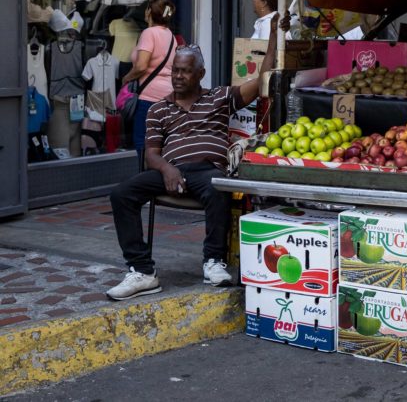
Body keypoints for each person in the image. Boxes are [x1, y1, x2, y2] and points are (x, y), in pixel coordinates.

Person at [106, 21, 278, 300]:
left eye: (186, 71)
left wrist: (272, 37)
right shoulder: (159, 109)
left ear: (200, 74)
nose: (178, 76)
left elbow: (263, 81)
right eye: (175, 70)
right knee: (121, 194)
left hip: (207, 170)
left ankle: (213, 261)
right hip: (169, 171)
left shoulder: (219, 97)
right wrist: (167, 169)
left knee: (218, 187)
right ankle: (142, 271)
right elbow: (151, 153)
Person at [122, 0, 176, 161]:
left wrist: (126, 78)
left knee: (143, 143)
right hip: (167, 98)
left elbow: (141, 66)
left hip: (148, 99)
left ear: (150, 13)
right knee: (161, 144)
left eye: (146, 8)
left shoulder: (149, 33)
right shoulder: (170, 35)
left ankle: (146, 181)